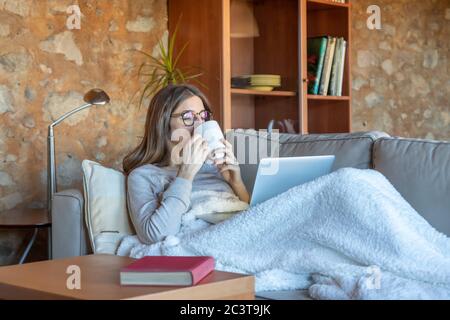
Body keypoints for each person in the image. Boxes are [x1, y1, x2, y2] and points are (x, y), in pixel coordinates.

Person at [123, 84, 249, 244]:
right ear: (163, 122)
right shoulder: (144, 176)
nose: (199, 124)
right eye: (188, 117)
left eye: (203, 116)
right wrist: (185, 175)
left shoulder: (215, 166)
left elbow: (250, 218)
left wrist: (236, 183)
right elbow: (155, 236)